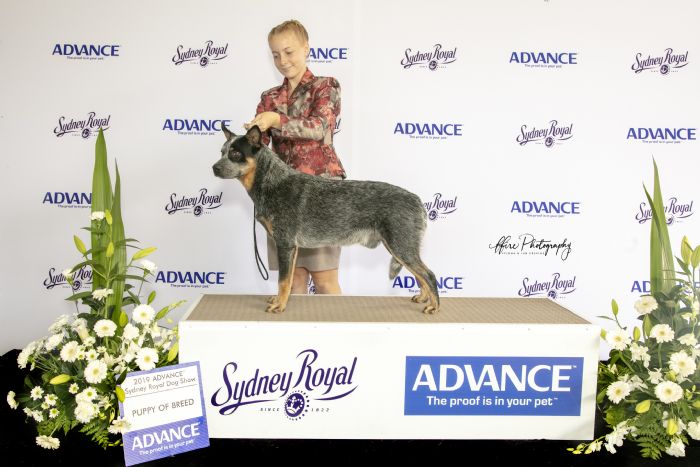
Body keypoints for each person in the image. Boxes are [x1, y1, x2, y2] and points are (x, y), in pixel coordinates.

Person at [244, 19, 346, 295]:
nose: (282, 60)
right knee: (293, 281)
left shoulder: (326, 86)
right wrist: (252, 136)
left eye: (288, 52)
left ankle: (336, 325)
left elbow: (319, 127)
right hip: (280, 196)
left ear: (306, 49)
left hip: (320, 193)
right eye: (275, 55)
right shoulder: (269, 97)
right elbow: (261, 145)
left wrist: (276, 120)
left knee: (325, 280)